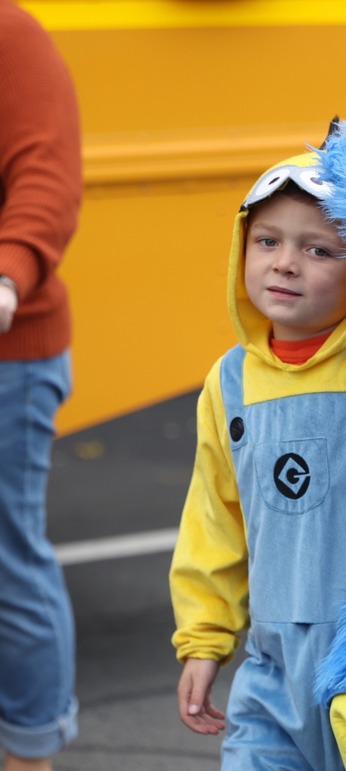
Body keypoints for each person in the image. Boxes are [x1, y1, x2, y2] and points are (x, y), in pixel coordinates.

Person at [169, 149, 346, 770]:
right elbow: (214, 518)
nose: (285, 263)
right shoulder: (229, 383)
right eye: (267, 240)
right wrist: (204, 640)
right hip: (271, 674)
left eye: (319, 250)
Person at [0, 3, 82, 770]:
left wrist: (8, 275)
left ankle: (28, 753)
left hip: (8, 348)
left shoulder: (10, 35)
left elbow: (47, 177)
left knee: (4, 557)